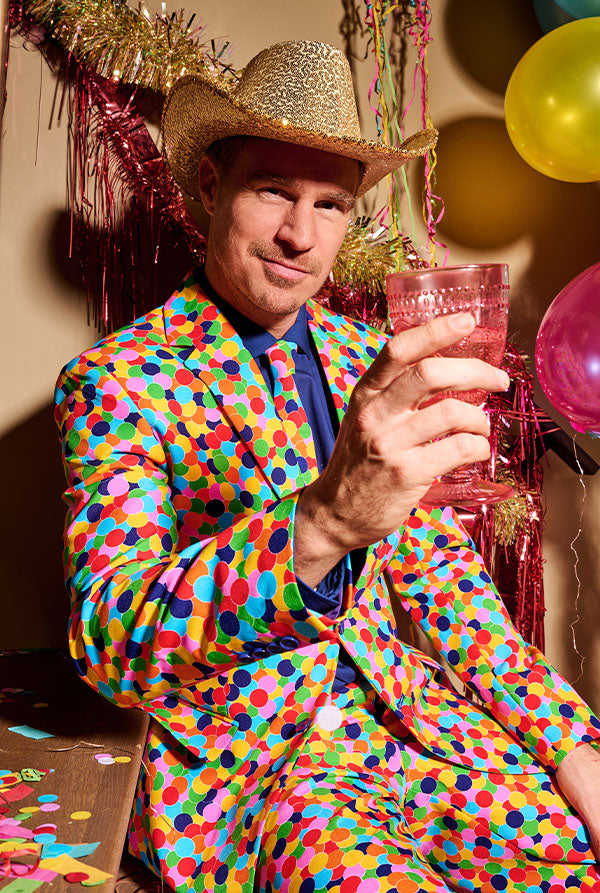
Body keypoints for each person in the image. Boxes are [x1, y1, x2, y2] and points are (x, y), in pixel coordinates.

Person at [54, 40, 600, 893]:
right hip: (258, 771)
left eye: (331, 204)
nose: (300, 235)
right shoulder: (120, 380)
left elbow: (446, 587)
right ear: (210, 183)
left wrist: (572, 747)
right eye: (274, 190)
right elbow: (111, 641)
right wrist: (322, 525)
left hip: (411, 727)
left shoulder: (367, 362)